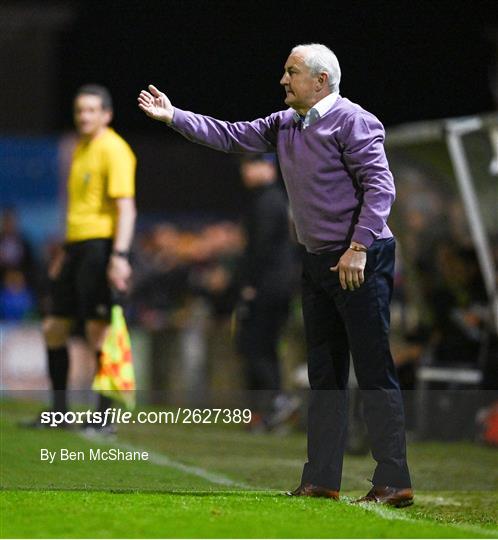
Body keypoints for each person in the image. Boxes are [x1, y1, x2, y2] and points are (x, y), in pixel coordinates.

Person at [138, 43, 412, 506]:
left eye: (292, 72)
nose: (283, 80)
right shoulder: (285, 123)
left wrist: (359, 246)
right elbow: (228, 134)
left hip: (359, 258)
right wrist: (174, 117)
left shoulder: (353, 120)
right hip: (316, 259)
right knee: (323, 372)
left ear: (320, 81)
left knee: (372, 368)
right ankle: (322, 479)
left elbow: (381, 187)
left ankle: (393, 480)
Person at [33, 84, 136, 428]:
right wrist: (64, 250)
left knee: (97, 332)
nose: (84, 116)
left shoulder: (115, 150)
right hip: (76, 247)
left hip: (100, 246)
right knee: (53, 327)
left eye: (92, 110)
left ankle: (104, 417)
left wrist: (119, 256)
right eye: (80, 110)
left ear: (106, 114)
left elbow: (126, 208)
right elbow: (77, 208)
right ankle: (59, 412)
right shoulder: (79, 149)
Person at [236, 154, 297, 430]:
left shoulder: (267, 201)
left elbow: (260, 248)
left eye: (251, 165)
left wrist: (249, 284)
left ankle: (275, 402)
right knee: (265, 347)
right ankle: (270, 410)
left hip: (268, 285)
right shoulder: (274, 198)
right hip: (277, 284)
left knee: (256, 345)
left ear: (268, 167)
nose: (245, 171)